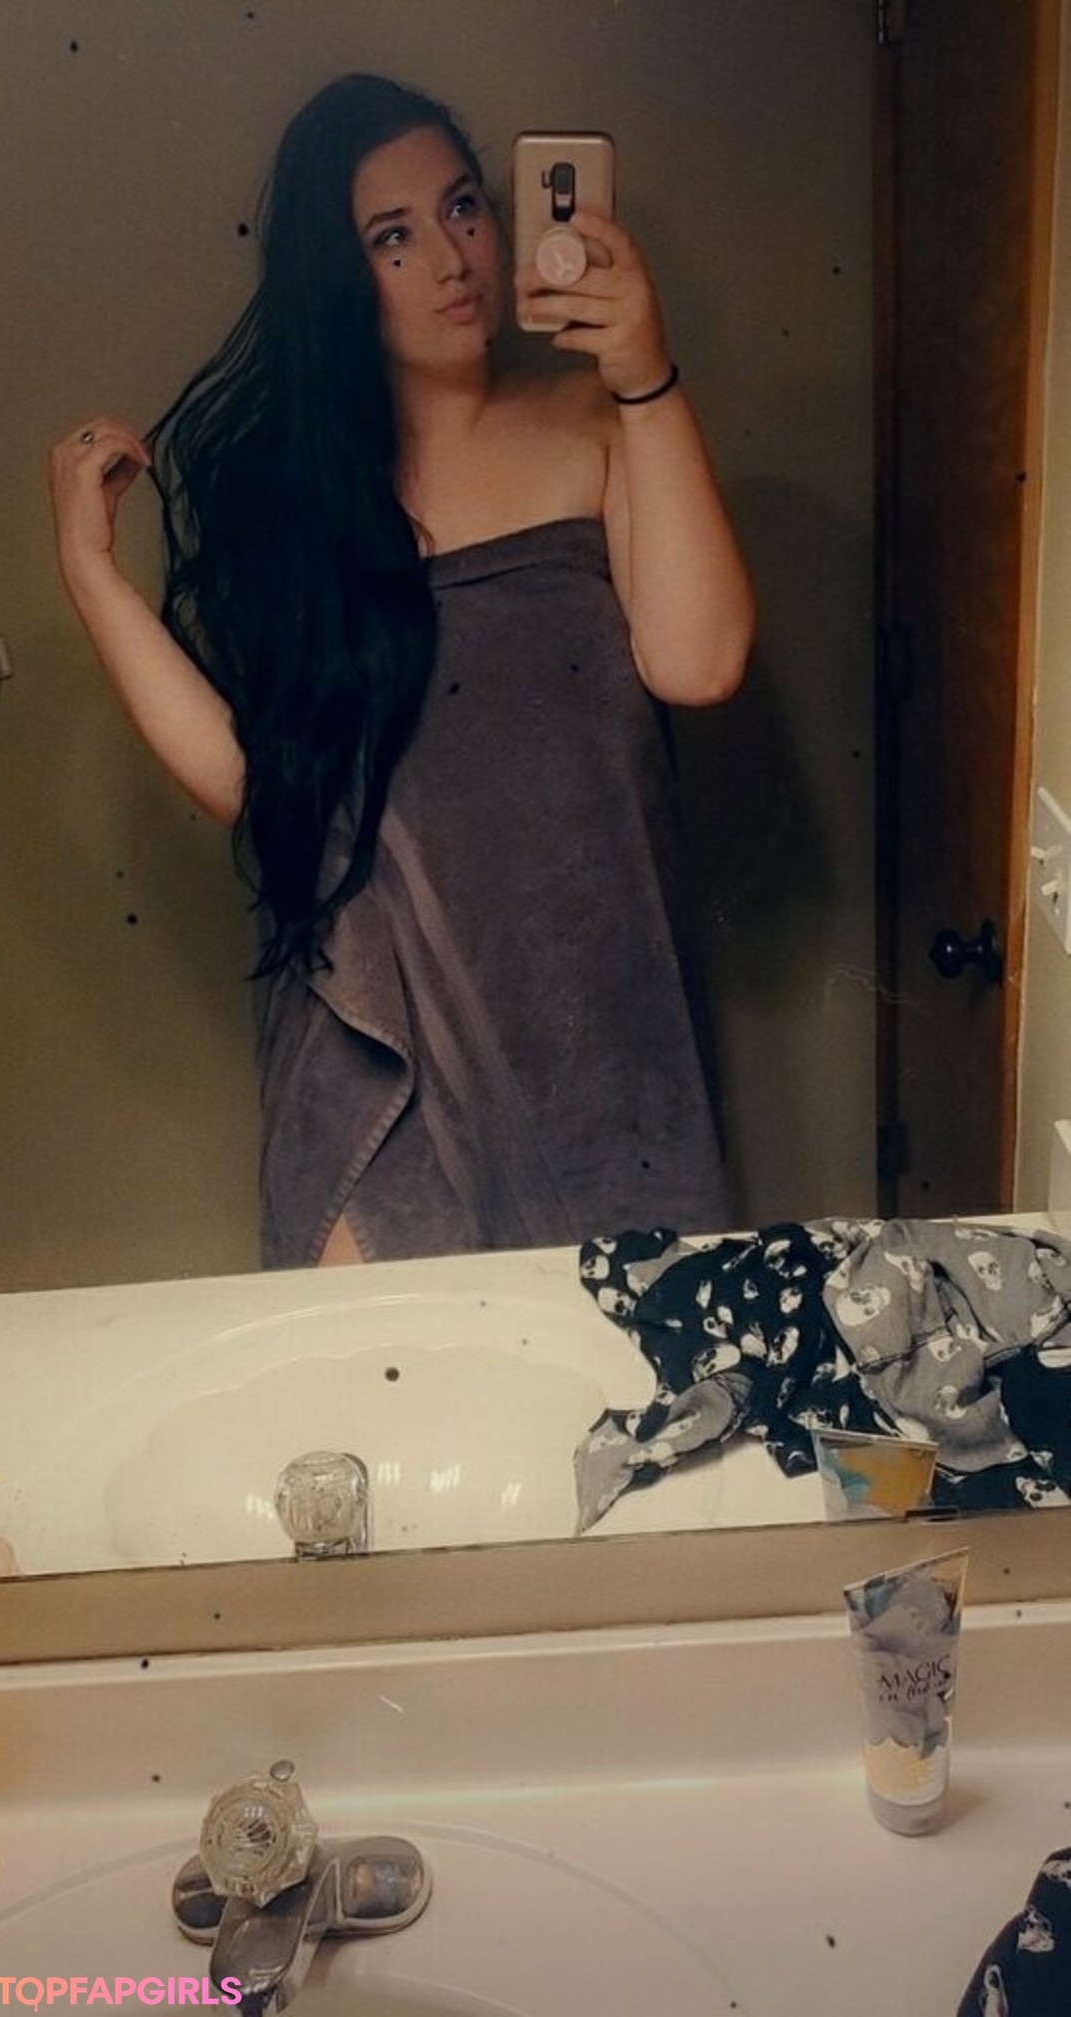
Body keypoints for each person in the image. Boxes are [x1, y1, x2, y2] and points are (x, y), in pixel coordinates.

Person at [48, 73, 755, 1270]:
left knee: (624, 1373)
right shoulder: (295, 508)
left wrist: (647, 377)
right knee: (391, 1386)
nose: (451, 256)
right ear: (341, 281)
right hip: (375, 1058)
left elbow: (700, 662)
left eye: (463, 207)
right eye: (394, 236)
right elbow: (256, 785)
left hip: (597, 1023)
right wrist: (88, 574)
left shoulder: (599, 423)